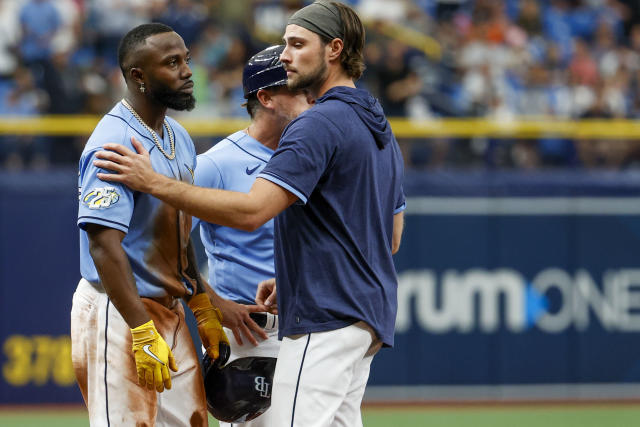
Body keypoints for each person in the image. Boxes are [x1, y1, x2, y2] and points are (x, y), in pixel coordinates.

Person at [93, 2, 406, 426]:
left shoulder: (317, 124)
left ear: (334, 49)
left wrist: (153, 182)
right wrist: (222, 298)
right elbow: (389, 236)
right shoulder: (373, 120)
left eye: (297, 45)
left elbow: (254, 212)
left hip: (323, 316)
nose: (286, 56)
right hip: (359, 315)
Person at [71, 23, 265, 426]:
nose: (187, 71)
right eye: (171, 63)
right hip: (121, 309)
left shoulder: (177, 134)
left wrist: (199, 301)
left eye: (187, 60)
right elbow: (103, 246)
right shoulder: (114, 143)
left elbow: (178, 232)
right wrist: (140, 330)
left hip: (169, 306)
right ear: (137, 76)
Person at [193, 44, 313, 426]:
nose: (310, 96)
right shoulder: (216, 164)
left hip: (311, 326)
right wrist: (210, 302)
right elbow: (166, 248)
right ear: (265, 97)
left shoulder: (314, 154)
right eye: (295, 88)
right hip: (250, 333)